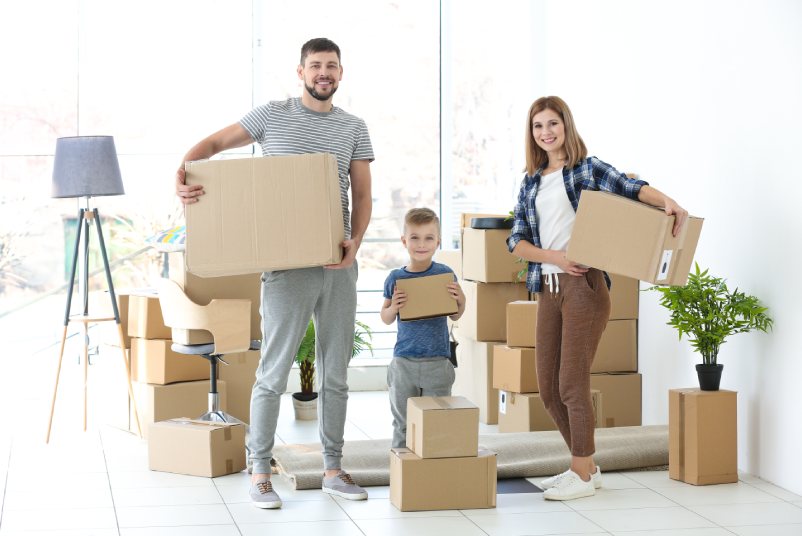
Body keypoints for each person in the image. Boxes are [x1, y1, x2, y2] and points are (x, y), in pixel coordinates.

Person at [174, 38, 374, 509]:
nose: (323, 72)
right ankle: (259, 470)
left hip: (337, 264)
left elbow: (363, 195)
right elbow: (215, 144)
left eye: (332, 66)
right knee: (273, 371)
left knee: (336, 373)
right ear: (301, 71)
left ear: (341, 74)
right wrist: (181, 173)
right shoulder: (271, 116)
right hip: (286, 269)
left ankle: (332, 468)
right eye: (315, 65)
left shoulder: (354, 128)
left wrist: (355, 244)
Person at [507, 96, 688, 501]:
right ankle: (587, 465)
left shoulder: (587, 170)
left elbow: (630, 187)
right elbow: (515, 240)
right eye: (538, 126)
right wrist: (553, 256)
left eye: (553, 123)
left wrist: (668, 202)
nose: (546, 132)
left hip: (584, 289)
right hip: (549, 288)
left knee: (571, 384)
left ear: (566, 126)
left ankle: (582, 473)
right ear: (532, 134)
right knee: (548, 390)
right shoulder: (531, 181)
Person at [380, 208, 466, 448]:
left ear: (438, 242)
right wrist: (394, 307)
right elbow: (385, 317)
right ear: (404, 241)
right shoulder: (395, 277)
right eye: (415, 237)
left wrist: (461, 299)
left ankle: (431, 473)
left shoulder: (444, 274)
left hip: (437, 361)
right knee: (402, 422)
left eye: (429, 238)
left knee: (436, 423)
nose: (421, 244)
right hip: (404, 362)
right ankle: (401, 470)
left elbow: (456, 313)